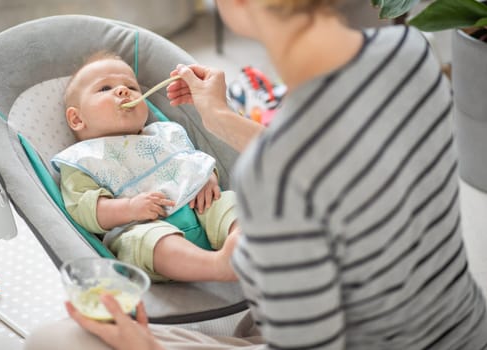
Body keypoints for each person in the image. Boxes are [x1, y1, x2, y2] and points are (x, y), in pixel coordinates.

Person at [25, 0, 487, 349]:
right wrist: (220, 117)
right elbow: (318, 158)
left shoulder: (272, 178)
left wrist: (146, 348)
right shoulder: (408, 52)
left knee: (52, 340)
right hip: (465, 330)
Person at [50, 51, 239, 283]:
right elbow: (84, 209)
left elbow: (192, 159)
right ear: (77, 119)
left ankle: (248, 249)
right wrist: (129, 208)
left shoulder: (163, 133)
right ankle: (218, 267)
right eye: (105, 89)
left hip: (197, 208)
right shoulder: (82, 160)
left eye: (131, 86)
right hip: (142, 227)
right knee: (146, 241)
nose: (123, 90)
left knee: (229, 203)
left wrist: (206, 178)